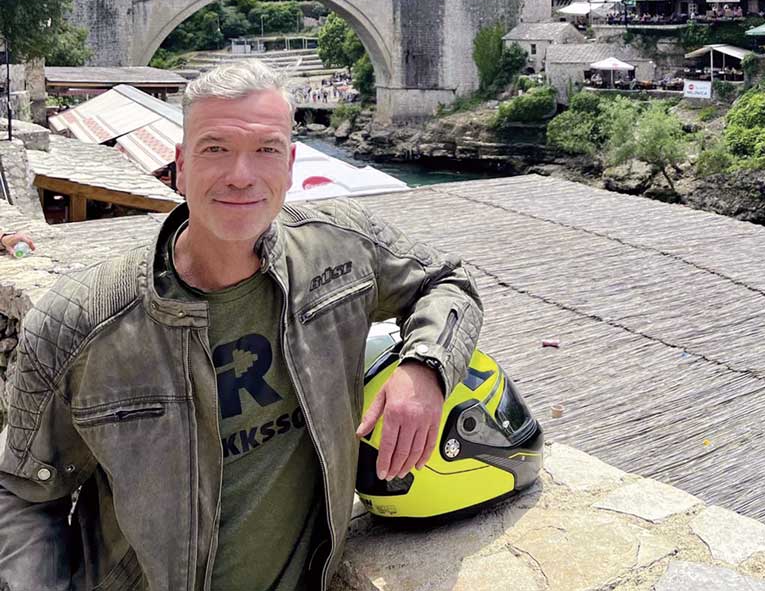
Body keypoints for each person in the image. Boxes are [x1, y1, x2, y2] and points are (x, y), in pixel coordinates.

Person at [0, 60, 482, 591]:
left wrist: (425, 368)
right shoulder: (78, 323)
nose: (241, 174)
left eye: (266, 150)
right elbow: (22, 493)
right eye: (216, 149)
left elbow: (447, 282)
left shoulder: (339, 249)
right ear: (180, 166)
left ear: (290, 164)